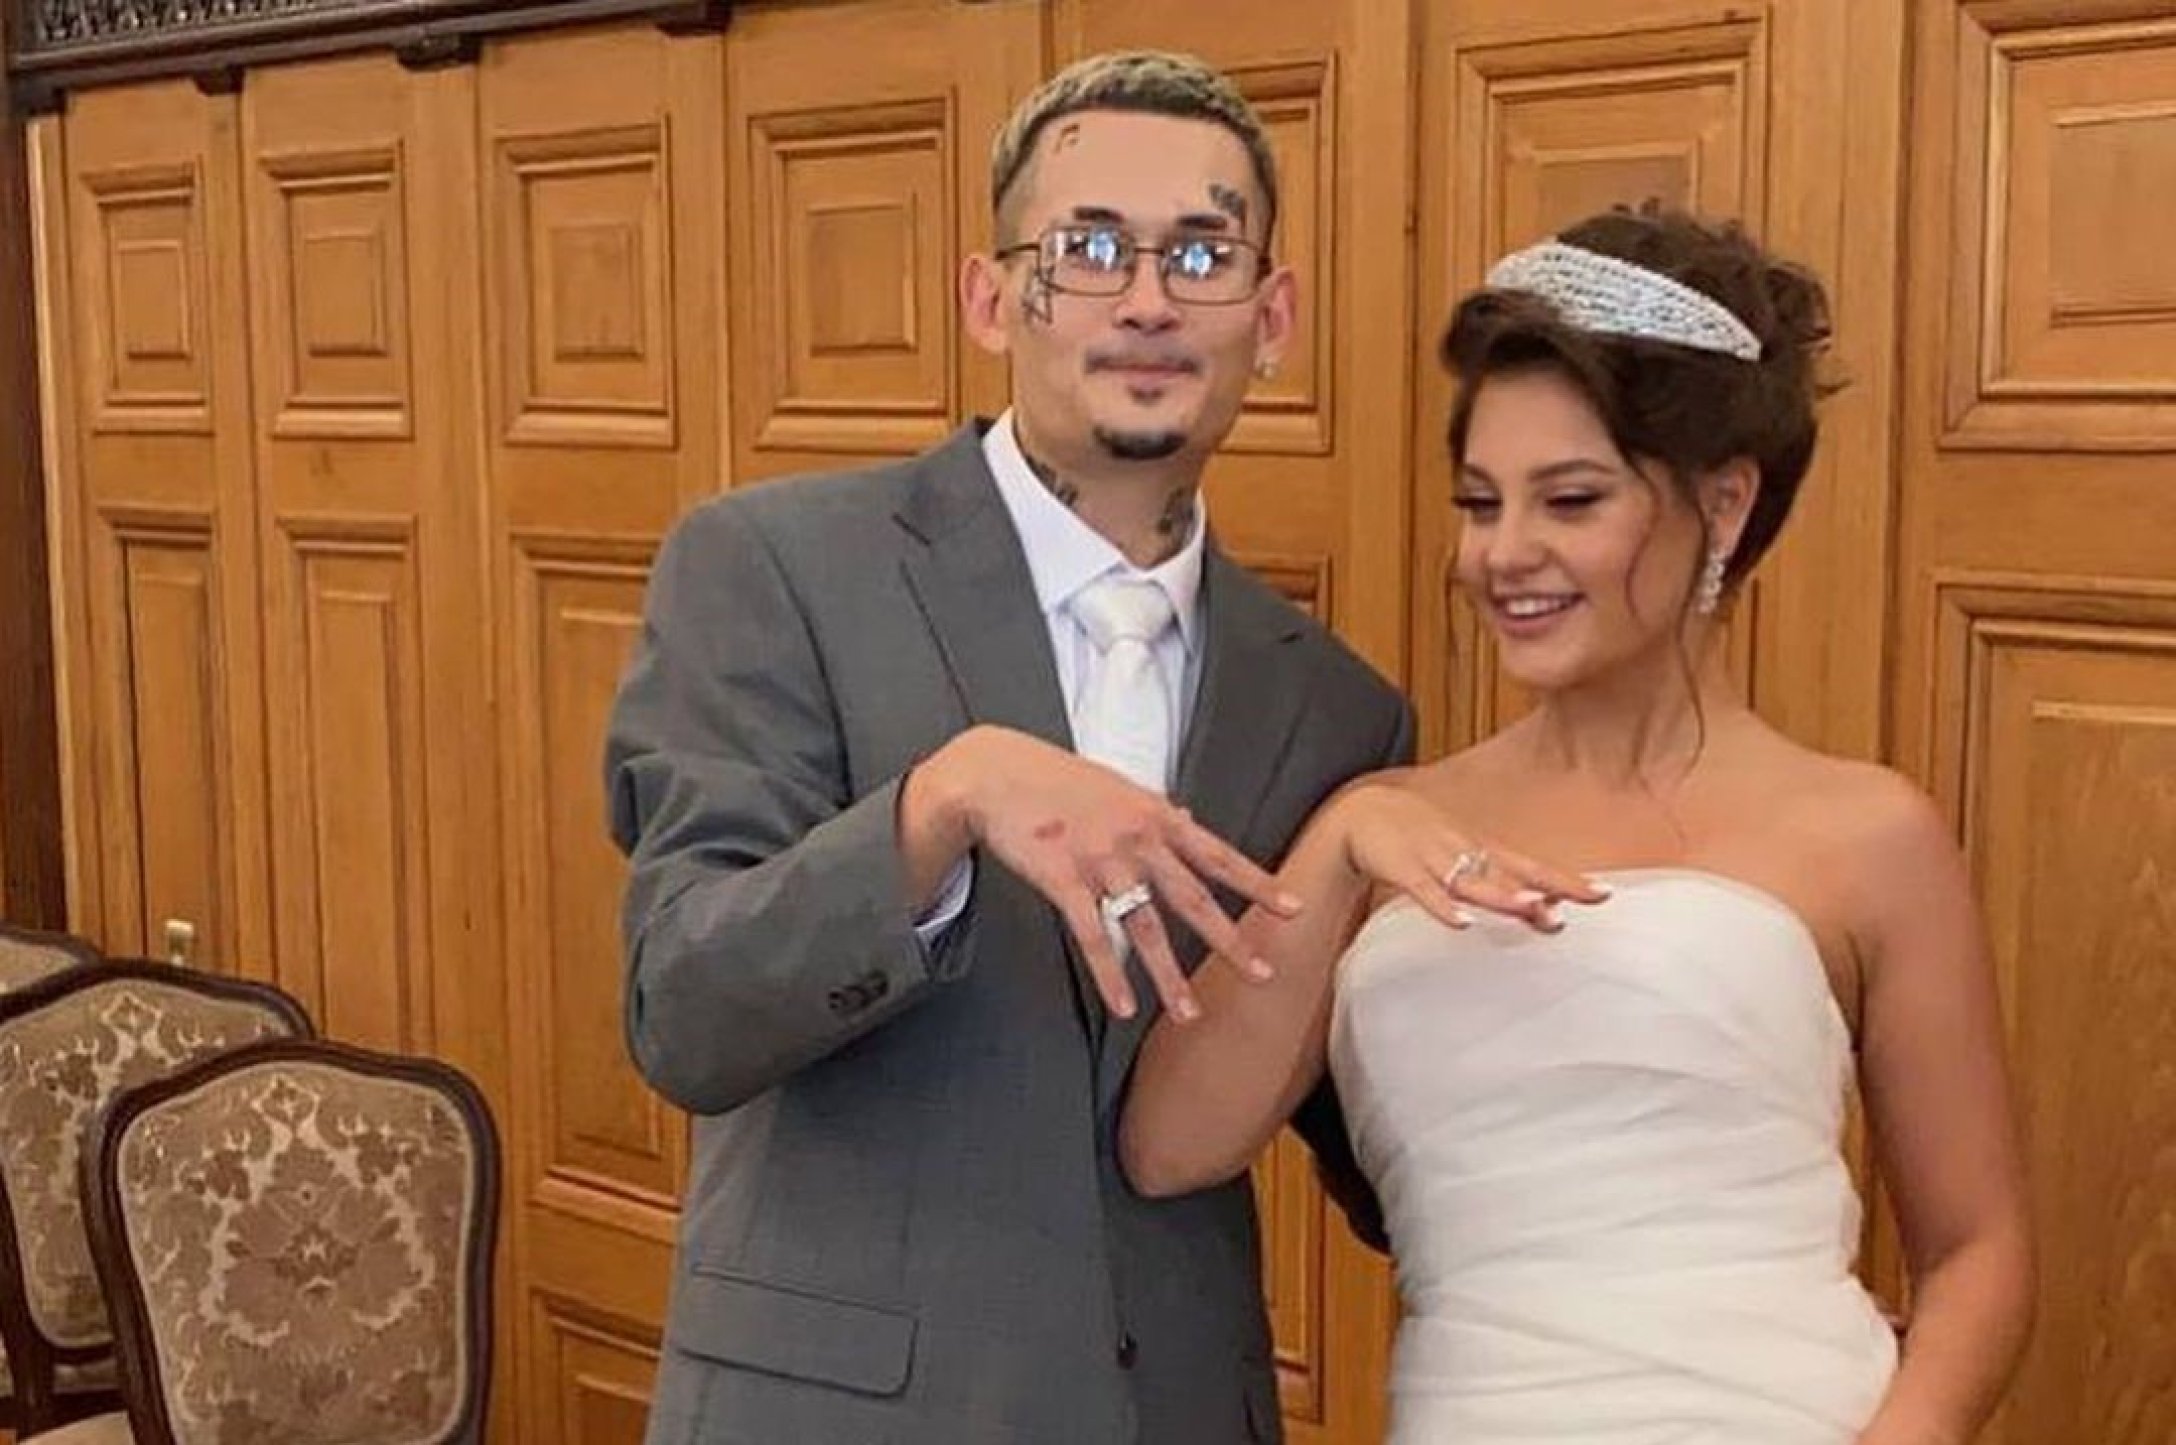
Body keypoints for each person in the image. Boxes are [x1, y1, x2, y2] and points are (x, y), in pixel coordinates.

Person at [605, 50, 1576, 1445]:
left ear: (1272, 316)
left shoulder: (1337, 711)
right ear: (990, 298)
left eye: (1203, 254)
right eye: (1091, 249)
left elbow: (1368, 1129)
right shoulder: (774, 566)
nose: (1147, 300)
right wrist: (940, 805)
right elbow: (684, 1010)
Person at [1121, 209, 2034, 1444]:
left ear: (1723, 503)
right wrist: (1339, 844)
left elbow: (1978, 1249)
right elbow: (1169, 1146)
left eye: (1570, 499)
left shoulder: (1868, 835)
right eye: (1479, 501)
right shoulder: (1390, 825)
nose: (1504, 553)